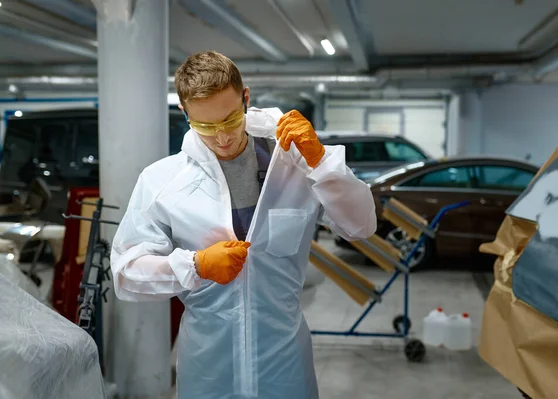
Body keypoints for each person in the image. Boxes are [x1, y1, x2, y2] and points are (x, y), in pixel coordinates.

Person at [110, 50, 377, 399]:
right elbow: (126, 272)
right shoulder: (162, 181)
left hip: (285, 360)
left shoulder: (294, 166)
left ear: (246, 98)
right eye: (205, 126)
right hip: (208, 365)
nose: (221, 138)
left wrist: (324, 165)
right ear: (184, 113)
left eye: (231, 120)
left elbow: (361, 226)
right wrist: (194, 266)